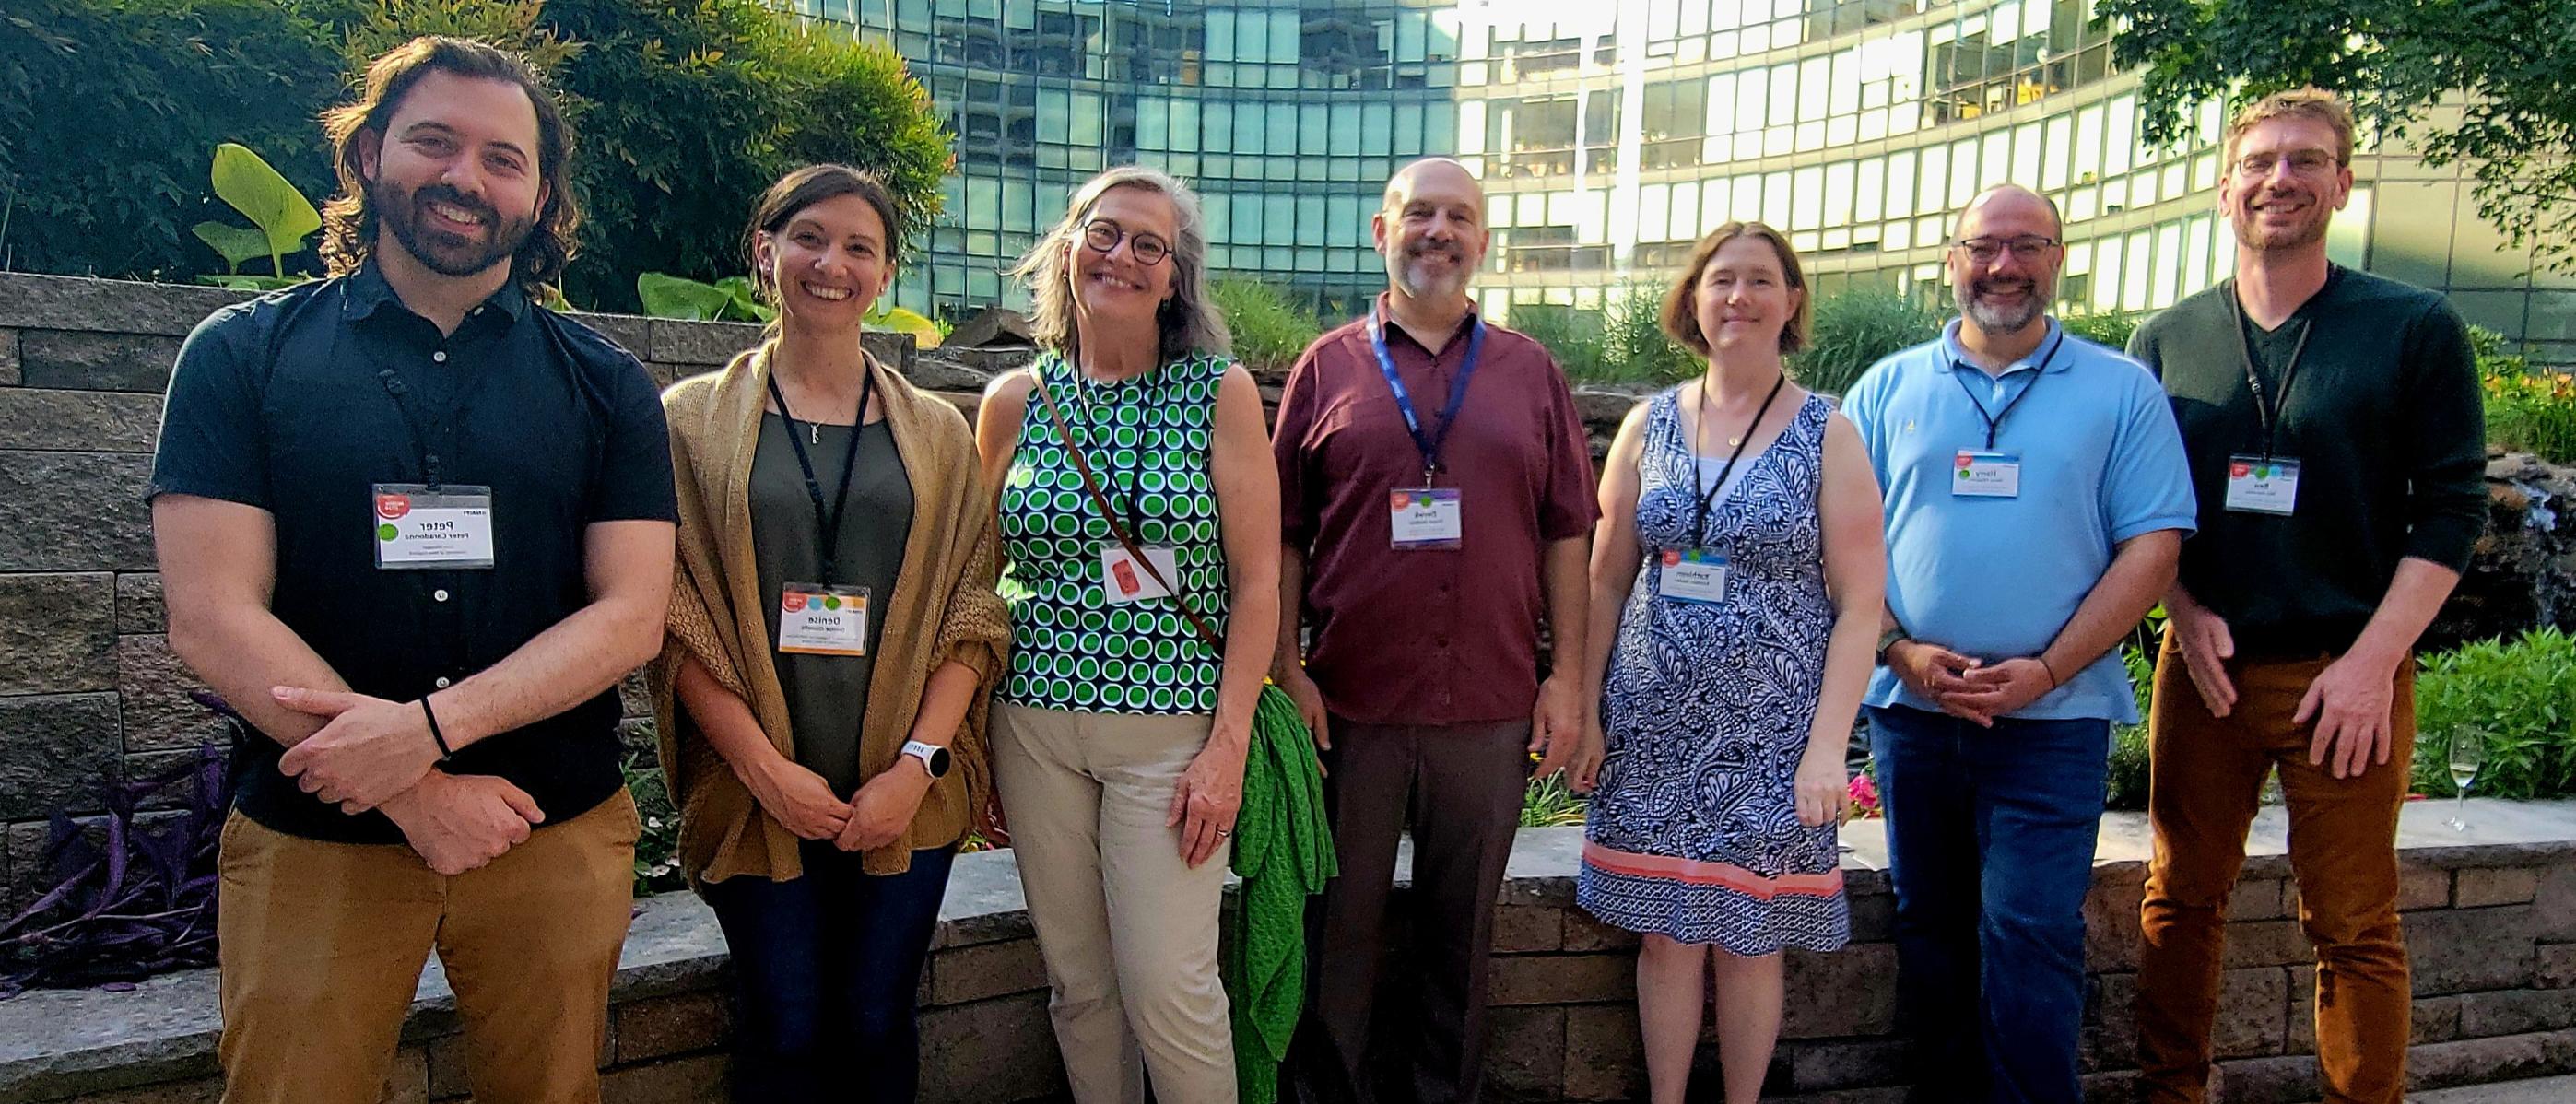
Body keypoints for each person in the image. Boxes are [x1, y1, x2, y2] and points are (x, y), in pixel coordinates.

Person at [147, 37, 675, 1103]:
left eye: (502, 157)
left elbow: (629, 615)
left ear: (539, 191)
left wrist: (429, 733)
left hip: (550, 832)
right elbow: (211, 613)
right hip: (317, 841)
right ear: (372, 153)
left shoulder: (608, 386)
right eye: (434, 142)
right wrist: (414, 790)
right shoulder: (239, 356)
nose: (463, 178)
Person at [2131, 88, 2486, 1104]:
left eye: (2303, 161)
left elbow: (2450, 509)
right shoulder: (2166, 339)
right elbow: (2140, 514)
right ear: (2221, 186)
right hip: (2205, 670)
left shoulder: (2410, 327)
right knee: (2177, 902)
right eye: (2257, 162)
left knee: (2352, 922)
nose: (2276, 180)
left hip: (2346, 667)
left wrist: (2371, 665)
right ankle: (2171, 1093)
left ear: (2341, 182)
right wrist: (2182, 613)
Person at [650, 164, 1009, 1102]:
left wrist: (917, 764)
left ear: (885, 271)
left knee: (876, 1019)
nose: (830, 264)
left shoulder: (936, 432)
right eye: (808, 237)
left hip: (907, 790)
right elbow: (671, 613)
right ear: (765, 252)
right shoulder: (687, 424)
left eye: (860, 246)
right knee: (788, 1023)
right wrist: (767, 774)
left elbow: (973, 607)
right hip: (752, 787)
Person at [1840, 184, 2196, 1102]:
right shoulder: (1885, 388)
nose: (2004, 266)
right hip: (1913, 716)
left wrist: (2045, 668)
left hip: (2054, 718)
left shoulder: (2121, 391)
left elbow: (2153, 546)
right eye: (1983, 247)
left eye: (2025, 246)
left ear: (2057, 257)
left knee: (2028, 927)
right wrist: (1899, 649)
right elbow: (1837, 545)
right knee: (1928, 926)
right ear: (1948, 263)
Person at [1271, 157, 1597, 1104]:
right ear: (1382, 232)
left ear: (1482, 242)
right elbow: (1283, 537)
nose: (1437, 232)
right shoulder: (1325, 367)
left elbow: (1566, 531)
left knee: (1460, 940)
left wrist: (1566, 679)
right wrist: (1287, 671)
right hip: (1351, 708)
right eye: (1419, 213)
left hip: (1489, 709)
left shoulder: (1528, 371)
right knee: (1338, 935)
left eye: (1458, 217)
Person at [973, 165, 1281, 1104]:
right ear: (1066, 248)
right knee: (1080, 986)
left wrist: (1226, 746)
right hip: (1033, 730)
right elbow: (972, 579)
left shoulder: (1216, 392)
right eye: (1103, 233)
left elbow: (1259, 582)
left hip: (1171, 738)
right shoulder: (1015, 400)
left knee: (1168, 986)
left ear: (1175, 277)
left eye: (1150, 245)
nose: (1122, 257)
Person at [1566, 221, 1881, 1104]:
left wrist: (1828, 750)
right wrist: (1586, 712)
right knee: (1665, 936)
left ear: (1790, 304)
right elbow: (1604, 580)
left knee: (1750, 939)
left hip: (1773, 740)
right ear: (1693, 301)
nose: (1737, 297)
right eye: (1719, 280)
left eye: (1758, 281)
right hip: (1652, 732)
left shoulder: (1829, 434)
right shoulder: (1646, 426)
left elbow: (1861, 604)